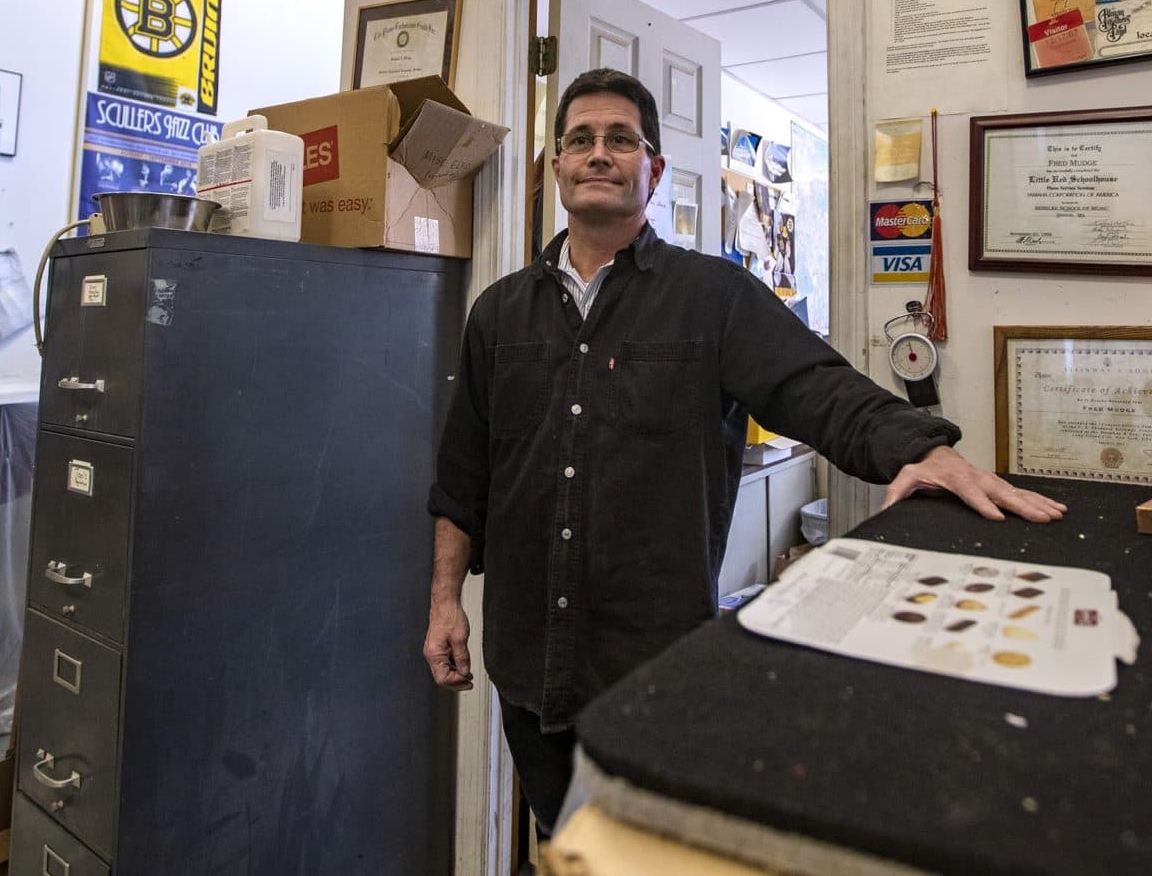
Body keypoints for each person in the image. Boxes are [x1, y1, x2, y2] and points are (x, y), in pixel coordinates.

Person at [422, 69, 1065, 836]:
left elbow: (817, 388)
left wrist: (920, 449)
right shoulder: (498, 313)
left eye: (621, 139)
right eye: (580, 140)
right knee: (569, 847)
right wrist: (443, 602)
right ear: (556, 166)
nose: (599, 154)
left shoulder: (713, 299)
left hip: (657, 674)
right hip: (527, 669)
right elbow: (464, 477)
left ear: (652, 169)